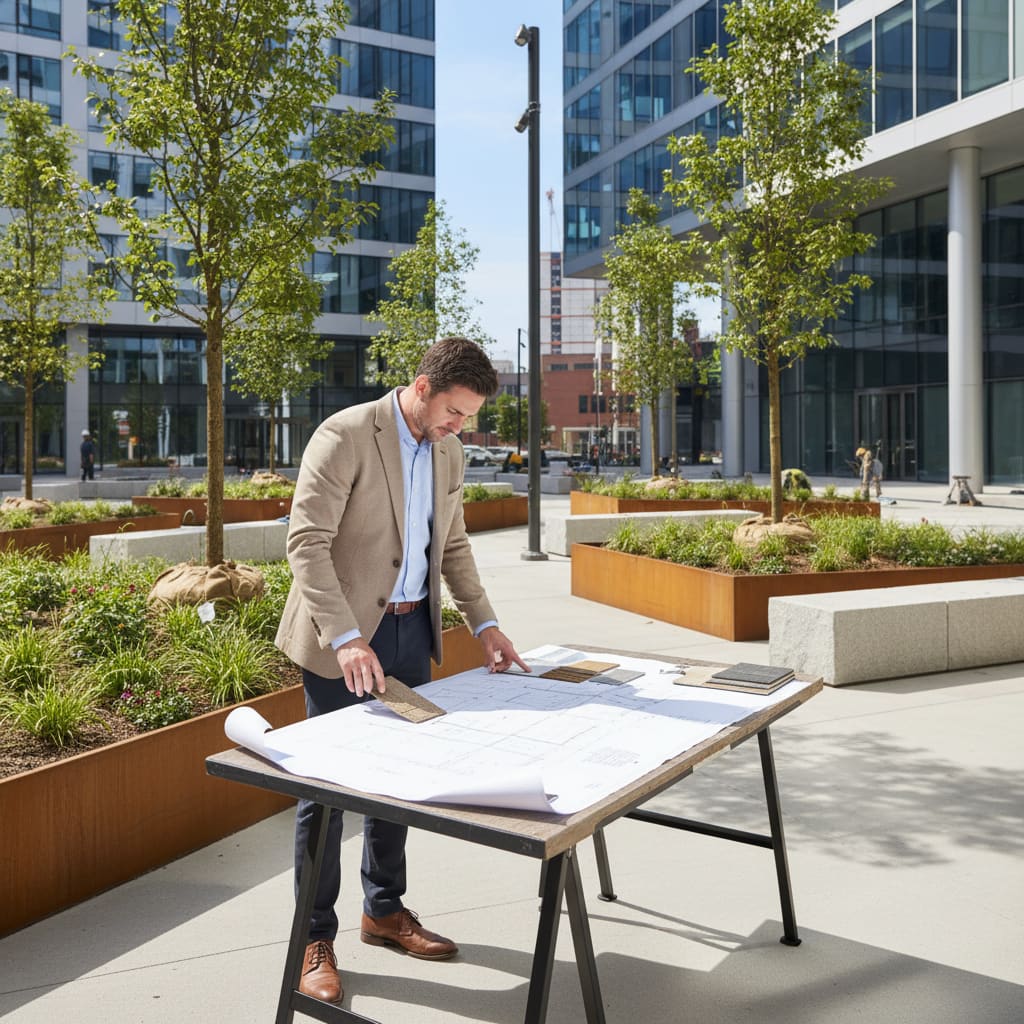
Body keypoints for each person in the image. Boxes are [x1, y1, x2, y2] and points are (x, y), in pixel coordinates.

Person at [275, 337, 529, 1006]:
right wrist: (346, 638)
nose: (460, 426)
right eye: (454, 411)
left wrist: (485, 623)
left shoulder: (448, 451)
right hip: (344, 638)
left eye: (468, 416)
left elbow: (452, 542)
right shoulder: (345, 435)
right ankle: (313, 937)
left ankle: (384, 910)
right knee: (327, 789)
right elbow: (306, 542)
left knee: (398, 783)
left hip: (412, 631)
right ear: (422, 387)